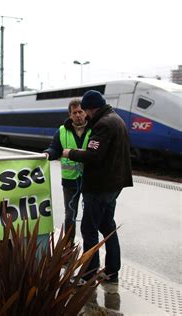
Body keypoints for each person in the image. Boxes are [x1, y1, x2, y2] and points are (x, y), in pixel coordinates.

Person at [62, 90, 133, 285]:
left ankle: (87, 275)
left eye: (85, 111)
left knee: (89, 229)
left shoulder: (103, 124)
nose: (84, 115)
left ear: (91, 108)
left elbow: (94, 156)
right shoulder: (116, 119)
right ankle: (111, 271)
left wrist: (71, 153)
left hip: (100, 186)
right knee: (107, 225)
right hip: (114, 183)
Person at [43, 99, 91, 245]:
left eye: (80, 112)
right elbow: (55, 149)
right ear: (70, 115)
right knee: (70, 215)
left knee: (90, 216)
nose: (78, 115)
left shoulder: (95, 128)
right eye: (74, 112)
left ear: (86, 113)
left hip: (91, 180)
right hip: (70, 181)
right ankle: (68, 249)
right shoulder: (62, 131)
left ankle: (89, 251)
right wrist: (47, 154)